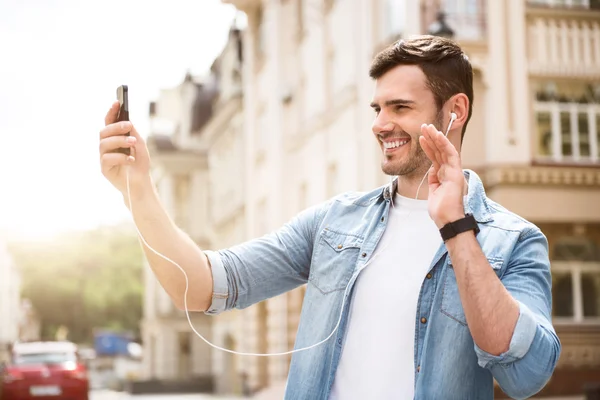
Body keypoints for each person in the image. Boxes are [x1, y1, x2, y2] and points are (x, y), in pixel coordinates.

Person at [98, 35, 560, 400]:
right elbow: (197, 285)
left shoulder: (514, 240)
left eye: (401, 107)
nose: (380, 124)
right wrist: (137, 191)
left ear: (454, 111)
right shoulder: (334, 223)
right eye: (378, 108)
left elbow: (527, 375)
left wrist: (456, 227)